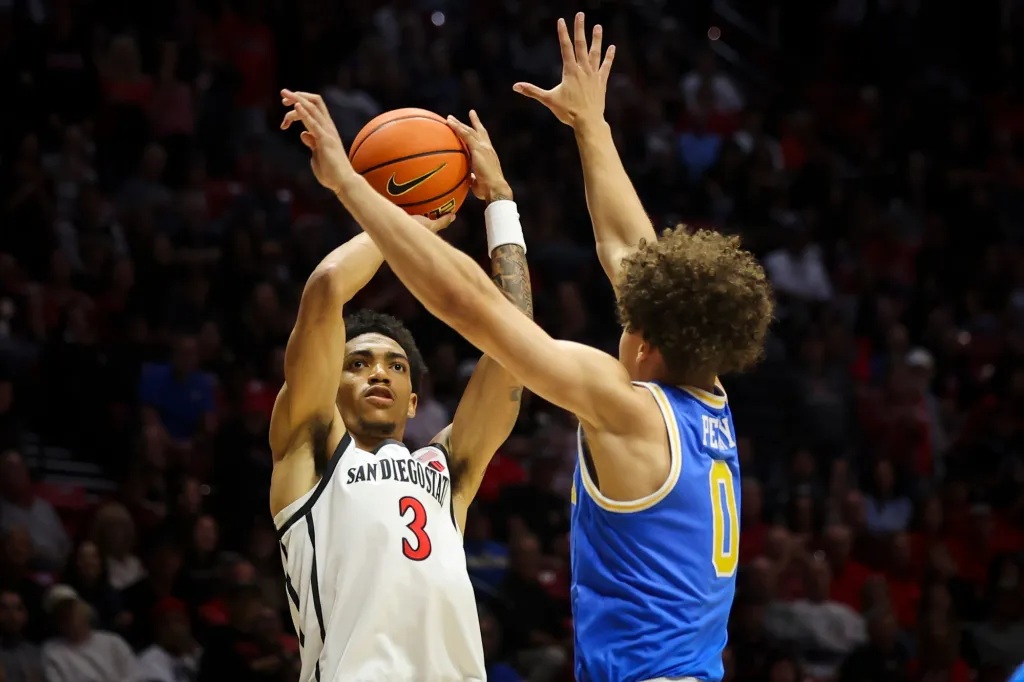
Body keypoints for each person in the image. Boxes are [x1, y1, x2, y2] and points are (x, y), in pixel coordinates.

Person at [278, 10, 772, 682]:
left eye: (632, 321)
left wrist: (354, 187)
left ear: (649, 341)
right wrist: (588, 127)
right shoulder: (706, 395)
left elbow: (473, 308)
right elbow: (631, 250)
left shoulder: (626, 407)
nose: (622, 317)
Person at [270, 93, 534, 681]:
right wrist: (401, 222)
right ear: (326, 388)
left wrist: (500, 204)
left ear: (416, 400)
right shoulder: (311, 456)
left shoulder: (446, 473)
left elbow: (519, 350)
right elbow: (327, 289)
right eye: (358, 363)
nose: (379, 372)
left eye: (394, 365)